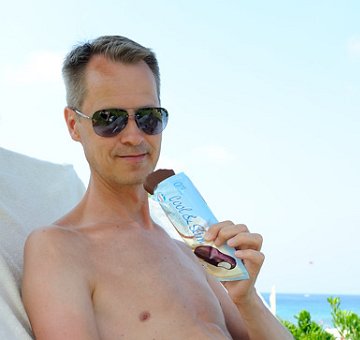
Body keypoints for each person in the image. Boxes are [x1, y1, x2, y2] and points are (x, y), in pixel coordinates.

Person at [22, 35, 293, 340]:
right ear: (74, 125)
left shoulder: (190, 252)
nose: (134, 136)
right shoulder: (60, 248)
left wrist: (247, 299)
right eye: (109, 119)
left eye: (148, 118)